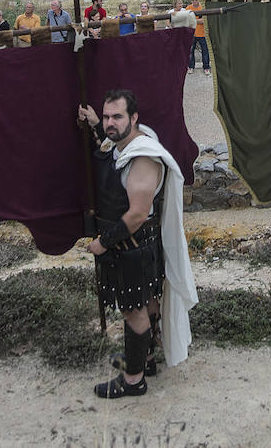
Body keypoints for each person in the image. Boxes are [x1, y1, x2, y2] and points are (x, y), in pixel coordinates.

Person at [78, 90, 197, 398]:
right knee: (148, 302)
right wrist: (94, 124)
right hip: (138, 247)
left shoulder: (142, 157)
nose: (110, 123)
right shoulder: (127, 141)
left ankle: (134, 380)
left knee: (135, 311)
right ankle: (144, 360)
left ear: (134, 118)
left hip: (132, 247)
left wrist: (103, 242)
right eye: (106, 117)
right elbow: (109, 148)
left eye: (117, 117)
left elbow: (137, 214)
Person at [187, 0, 209, 75]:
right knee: (190, 51)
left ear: (198, 0)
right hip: (192, 33)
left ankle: (206, 68)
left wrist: (193, 20)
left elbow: (204, 21)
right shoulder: (188, 8)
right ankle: (191, 67)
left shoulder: (202, 8)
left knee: (205, 51)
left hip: (202, 33)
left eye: (196, 0)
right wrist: (197, 20)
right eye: (193, 0)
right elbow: (187, 20)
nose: (194, 1)